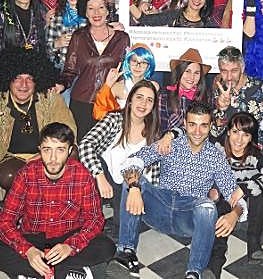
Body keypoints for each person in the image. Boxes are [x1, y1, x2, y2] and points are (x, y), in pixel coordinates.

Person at [105, 101, 246, 279]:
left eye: (203, 125)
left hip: (188, 219)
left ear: (210, 126)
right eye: (192, 124)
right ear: (185, 124)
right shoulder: (169, 144)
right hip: (159, 209)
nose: (197, 131)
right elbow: (133, 161)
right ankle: (126, 253)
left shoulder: (216, 157)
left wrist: (235, 214)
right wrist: (134, 187)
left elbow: (233, 193)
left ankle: (194, 272)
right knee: (132, 180)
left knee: (208, 207)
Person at [0, 122, 116, 279]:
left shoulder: (82, 175)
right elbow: (5, 221)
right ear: (39, 150)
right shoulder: (26, 174)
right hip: (34, 238)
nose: (53, 158)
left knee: (107, 247)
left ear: (70, 151)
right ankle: (68, 272)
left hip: (69, 236)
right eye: (47, 150)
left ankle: (39, 273)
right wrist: (27, 250)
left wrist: (70, 246)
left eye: (60, 150)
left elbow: (95, 218)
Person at [0, 47, 76, 202]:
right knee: (7, 175)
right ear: (8, 79)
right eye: (17, 78)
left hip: (49, 154)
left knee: (72, 152)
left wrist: (44, 154)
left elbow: (69, 131)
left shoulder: (51, 100)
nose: (24, 85)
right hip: (15, 160)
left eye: (29, 79)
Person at [79, 80, 162, 237]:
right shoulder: (114, 120)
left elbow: (153, 174)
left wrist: (144, 196)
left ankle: (122, 223)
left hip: (131, 184)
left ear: (153, 106)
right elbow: (85, 144)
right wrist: (99, 176)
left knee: (123, 228)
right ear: (130, 100)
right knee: (90, 164)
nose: (143, 103)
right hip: (106, 176)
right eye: (139, 97)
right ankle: (90, 218)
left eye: (149, 100)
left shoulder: (154, 133)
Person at [59, 0, 129, 140]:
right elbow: (70, 70)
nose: (96, 13)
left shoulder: (122, 38)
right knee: (82, 146)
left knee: (108, 146)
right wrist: (61, 85)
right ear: (85, 12)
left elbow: (126, 71)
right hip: (82, 103)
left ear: (107, 10)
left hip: (110, 102)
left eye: (101, 7)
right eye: (91, 8)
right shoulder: (78, 36)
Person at [217, 112, 263, 262]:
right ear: (228, 132)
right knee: (219, 193)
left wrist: (244, 189)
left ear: (251, 138)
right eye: (235, 132)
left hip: (256, 216)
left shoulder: (254, 156)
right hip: (228, 211)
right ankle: (217, 256)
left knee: (260, 191)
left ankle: (253, 243)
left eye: (245, 135)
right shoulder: (218, 150)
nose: (239, 140)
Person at [211, 46, 263, 147]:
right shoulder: (219, 91)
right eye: (224, 71)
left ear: (242, 68)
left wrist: (251, 150)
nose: (229, 77)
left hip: (256, 148)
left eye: (234, 71)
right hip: (226, 148)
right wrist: (222, 110)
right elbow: (215, 133)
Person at [92, 43, 160, 120]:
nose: (138, 66)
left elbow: (158, 116)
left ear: (149, 66)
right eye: (134, 61)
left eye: (143, 62)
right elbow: (99, 114)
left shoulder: (154, 87)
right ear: (128, 62)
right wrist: (107, 85)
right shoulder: (117, 87)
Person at [45, 0, 88, 73]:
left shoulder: (92, 15)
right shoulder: (56, 16)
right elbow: (45, 50)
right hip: (62, 68)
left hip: (86, 69)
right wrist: (57, 43)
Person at [159, 48, 211, 135]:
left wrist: (222, 109)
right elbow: (161, 128)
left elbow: (211, 130)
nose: (191, 77)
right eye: (187, 71)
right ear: (179, 71)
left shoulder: (207, 97)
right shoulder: (164, 95)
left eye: (196, 73)